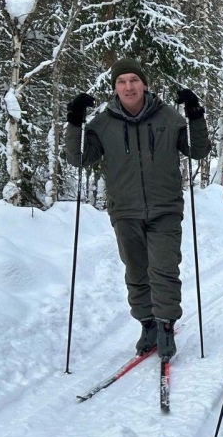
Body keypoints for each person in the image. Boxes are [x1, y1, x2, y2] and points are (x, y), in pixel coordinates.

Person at [64, 57, 210, 360]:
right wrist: (75, 121)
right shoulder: (103, 124)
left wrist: (195, 115)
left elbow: (197, 151)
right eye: (122, 81)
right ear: (115, 87)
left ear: (144, 83)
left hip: (165, 207)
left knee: (164, 269)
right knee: (136, 270)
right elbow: (79, 157)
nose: (129, 86)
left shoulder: (168, 117)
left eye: (134, 80)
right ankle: (148, 325)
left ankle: (166, 325)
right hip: (125, 209)